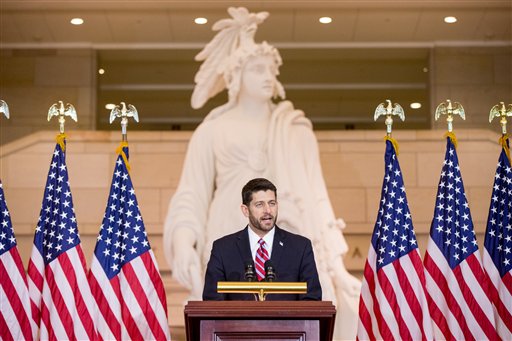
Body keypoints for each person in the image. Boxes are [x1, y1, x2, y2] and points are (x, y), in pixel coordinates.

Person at [163, 7, 360, 339]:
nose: (268, 76)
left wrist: (336, 263)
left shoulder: (294, 129)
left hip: (287, 234)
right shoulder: (212, 131)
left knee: (290, 317)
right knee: (229, 321)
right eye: (258, 69)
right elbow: (191, 194)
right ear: (236, 76)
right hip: (227, 232)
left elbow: (317, 196)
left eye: (272, 69)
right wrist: (184, 241)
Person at [203, 178, 322, 301]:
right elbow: (212, 302)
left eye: (272, 203)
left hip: (287, 321)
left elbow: (312, 299)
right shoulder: (223, 249)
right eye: (259, 204)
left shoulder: (300, 247)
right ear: (245, 210)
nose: (268, 211)